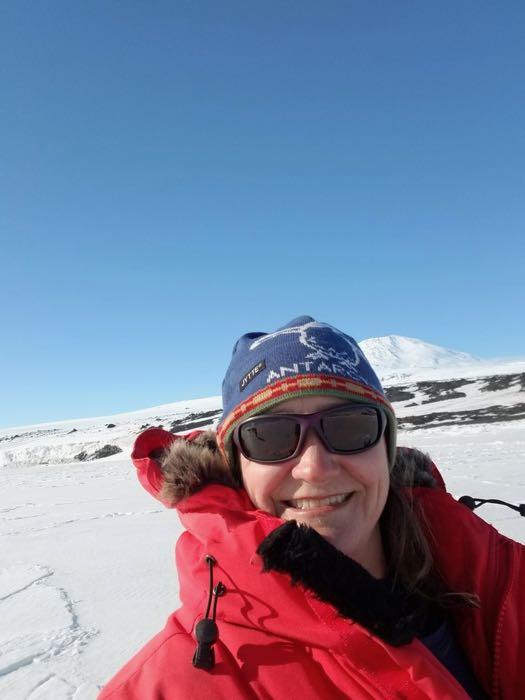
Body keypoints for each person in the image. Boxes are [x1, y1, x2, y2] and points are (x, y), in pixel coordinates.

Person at [99, 316, 524, 699]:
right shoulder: (168, 686)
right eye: (269, 436)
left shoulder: (503, 581)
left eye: (351, 425)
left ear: (386, 448)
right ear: (236, 466)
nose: (315, 467)